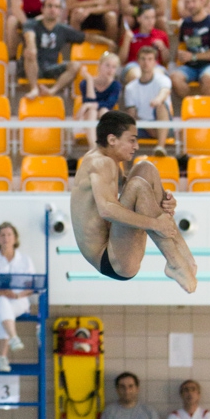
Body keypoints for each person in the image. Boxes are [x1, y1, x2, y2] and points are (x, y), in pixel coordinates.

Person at [70, 110, 197, 291]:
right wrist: (155, 224)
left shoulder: (110, 161)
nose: (136, 146)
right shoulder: (99, 163)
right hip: (109, 259)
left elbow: (132, 190)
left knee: (146, 168)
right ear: (112, 140)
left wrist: (165, 198)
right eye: (131, 140)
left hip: (116, 241)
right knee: (138, 185)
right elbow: (106, 210)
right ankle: (175, 262)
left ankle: (185, 257)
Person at [21, 0, 114, 99]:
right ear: (42, 9)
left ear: (60, 11)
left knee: (75, 65)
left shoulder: (63, 29)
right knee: (30, 52)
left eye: (56, 7)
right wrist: (32, 47)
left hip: (51, 67)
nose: (53, 9)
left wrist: (108, 41)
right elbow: (29, 37)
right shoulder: (31, 24)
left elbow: (86, 37)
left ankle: (52, 91)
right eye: (49, 6)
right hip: (31, 66)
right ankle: (33, 89)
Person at [0, 222, 35, 373]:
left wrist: (17, 294)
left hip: (18, 300)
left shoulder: (25, 260)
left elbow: (32, 286)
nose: (6, 238)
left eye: (9, 234)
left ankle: (3, 357)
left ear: (15, 238)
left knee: (3, 311)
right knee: (1, 302)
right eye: (2, 235)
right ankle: (13, 337)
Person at [171, 0, 210, 103]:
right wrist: (181, 54)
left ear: (202, 1)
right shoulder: (185, 24)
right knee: (175, 77)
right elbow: (182, 45)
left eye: (194, 1)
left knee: (208, 78)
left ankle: (208, 112)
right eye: (187, 2)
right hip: (190, 66)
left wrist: (194, 56)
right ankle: (192, 104)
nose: (190, 5)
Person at [124, 46, 172, 157]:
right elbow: (132, 115)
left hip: (162, 123)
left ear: (155, 62)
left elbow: (164, 92)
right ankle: (123, 170)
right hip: (141, 126)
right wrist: (148, 127)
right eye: (143, 59)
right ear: (138, 61)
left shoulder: (163, 79)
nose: (146, 62)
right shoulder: (130, 88)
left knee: (160, 106)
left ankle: (160, 147)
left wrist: (157, 100)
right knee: (123, 133)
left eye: (150, 59)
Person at [76, 52, 121, 147]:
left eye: (114, 67)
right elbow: (89, 101)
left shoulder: (116, 85)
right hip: (87, 117)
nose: (110, 70)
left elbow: (109, 104)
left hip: (105, 117)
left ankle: (106, 145)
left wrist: (89, 105)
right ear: (100, 66)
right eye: (107, 65)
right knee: (92, 111)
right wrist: (89, 80)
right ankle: (93, 146)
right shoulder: (85, 83)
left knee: (103, 110)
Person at [118, 3, 170, 85]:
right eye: (146, 18)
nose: (150, 21)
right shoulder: (129, 35)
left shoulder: (161, 35)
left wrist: (163, 48)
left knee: (158, 77)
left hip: (155, 65)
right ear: (139, 19)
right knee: (136, 76)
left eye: (153, 17)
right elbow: (121, 60)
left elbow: (166, 60)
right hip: (134, 65)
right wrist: (126, 42)